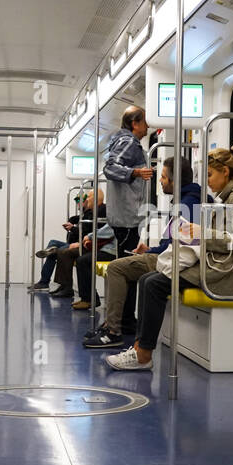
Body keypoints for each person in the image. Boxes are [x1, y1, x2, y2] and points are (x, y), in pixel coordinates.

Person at [107, 146, 233, 371]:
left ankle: (144, 355)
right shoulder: (227, 199)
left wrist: (201, 234)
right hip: (215, 264)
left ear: (225, 172)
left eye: (210, 175)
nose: (207, 181)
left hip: (226, 272)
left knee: (154, 284)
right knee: (146, 280)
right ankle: (140, 347)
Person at [83, 155, 200, 349]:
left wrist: (152, 251)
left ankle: (113, 331)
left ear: (174, 180)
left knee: (116, 268)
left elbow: (178, 245)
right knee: (126, 266)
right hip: (168, 254)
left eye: (163, 177)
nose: (160, 181)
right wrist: (149, 249)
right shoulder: (185, 201)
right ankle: (121, 323)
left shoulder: (186, 205)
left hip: (174, 260)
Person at [100, 105, 152, 259]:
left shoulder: (122, 142)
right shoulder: (129, 142)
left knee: (124, 264)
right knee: (126, 267)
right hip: (128, 219)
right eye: (145, 122)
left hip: (123, 218)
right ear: (135, 124)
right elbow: (110, 168)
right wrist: (136, 172)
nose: (148, 126)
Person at [49, 187, 107, 304]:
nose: (86, 200)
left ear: (94, 199)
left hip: (94, 245)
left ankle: (69, 288)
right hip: (88, 243)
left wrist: (81, 242)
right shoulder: (93, 211)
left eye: (88, 198)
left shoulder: (100, 211)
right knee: (62, 251)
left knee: (64, 252)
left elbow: (97, 231)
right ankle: (66, 286)